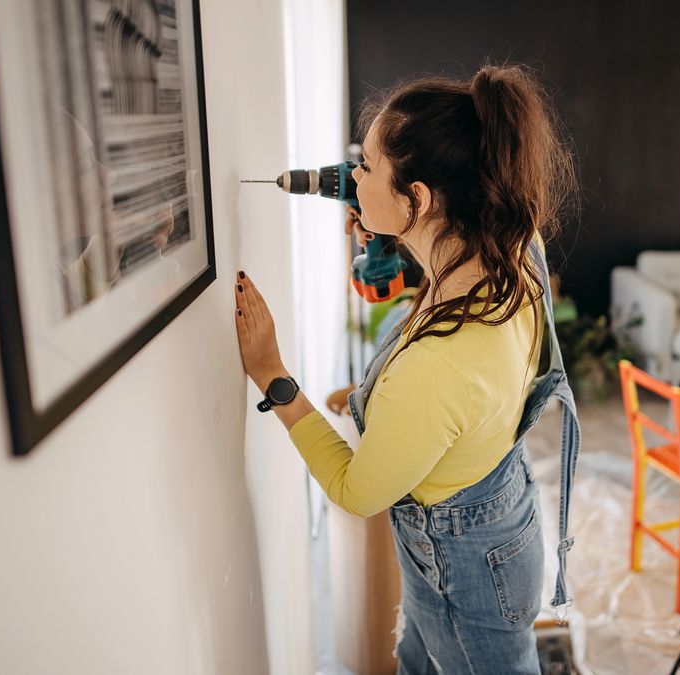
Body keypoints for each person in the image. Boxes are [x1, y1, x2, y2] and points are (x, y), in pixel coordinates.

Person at [234, 63, 581, 674]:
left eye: (364, 166)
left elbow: (357, 492)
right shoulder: (517, 247)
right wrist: (395, 240)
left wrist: (272, 375)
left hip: (467, 570)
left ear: (417, 197)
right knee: (417, 663)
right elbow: (447, 273)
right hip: (504, 517)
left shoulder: (437, 369)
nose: (350, 177)